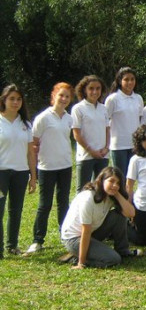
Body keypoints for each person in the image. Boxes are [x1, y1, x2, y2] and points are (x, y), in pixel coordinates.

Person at [60, 167, 141, 269]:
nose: (115, 185)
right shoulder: (88, 198)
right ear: (102, 180)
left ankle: (123, 251)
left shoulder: (109, 196)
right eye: (111, 181)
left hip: (93, 232)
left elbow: (131, 213)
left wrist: (116, 193)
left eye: (118, 183)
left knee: (118, 215)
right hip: (74, 239)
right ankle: (75, 258)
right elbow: (85, 230)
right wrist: (81, 262)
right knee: (113, 259)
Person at [26, 83, 74, 254]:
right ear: (53, 96)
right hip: (47, 167)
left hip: (65, 165)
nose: (64, 99)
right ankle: (37, 240)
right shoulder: (43, 118)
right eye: (61, 95)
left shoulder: (69, 118)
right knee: (45, 204)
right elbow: (34, 144)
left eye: (67, 96)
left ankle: (65, 235)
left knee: (63, 203)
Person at [0, 84, 37, 257]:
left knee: (16, 210)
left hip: (21, 173)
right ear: (4, 100)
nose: (15, 102)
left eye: (18, 99)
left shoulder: (26, 124)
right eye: (11, 99)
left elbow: (30, 152)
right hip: (1, 173)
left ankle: (12, 245)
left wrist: (33, 176)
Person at [72, 75, 110, 192]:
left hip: (102, 155)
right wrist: (91, 151)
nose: (95, 91)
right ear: (84, 90)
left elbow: (107, 130)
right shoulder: (78, 108)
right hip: (86, 156)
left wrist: (106, 148)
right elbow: (76, 134)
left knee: (100, 188)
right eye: (91, 88)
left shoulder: (103, 108)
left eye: (98, 88)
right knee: (83, 189)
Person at [105, 67, 144, 175]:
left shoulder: (138, 98)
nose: (130, 82)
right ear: (119, 81)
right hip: (118, 146)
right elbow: (104, 121)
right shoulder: (113, 99)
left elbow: (139, 120)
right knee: (119, 177)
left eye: (132, 79)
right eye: (126, 79)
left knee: (131, 178)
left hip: (134, 145)